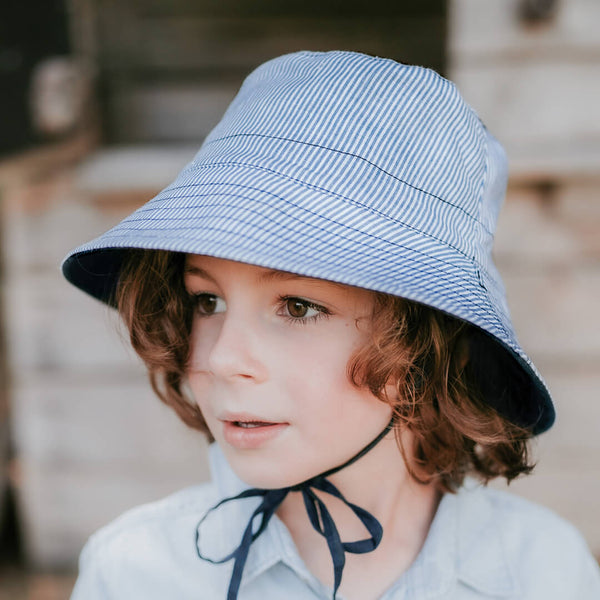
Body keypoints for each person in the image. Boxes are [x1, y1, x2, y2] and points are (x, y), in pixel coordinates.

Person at [62, 51, 600, 599]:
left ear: (429, 343)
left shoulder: (540, 573)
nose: (222, 359)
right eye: (208, 301)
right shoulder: (138, 573)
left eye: (298, 306)